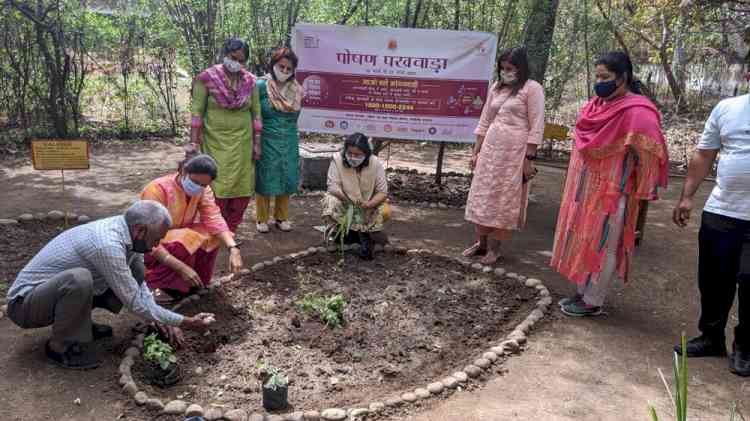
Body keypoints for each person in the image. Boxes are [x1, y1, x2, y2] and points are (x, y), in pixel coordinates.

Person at [5, 201, 215, 370]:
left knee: (136, 271)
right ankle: (59, 347)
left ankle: (80, 325)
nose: (156, 246)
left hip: (53, 294)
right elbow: (133, 301)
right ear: (140, 230)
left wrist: (161, 317)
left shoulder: (128, 234)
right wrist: (185, 322)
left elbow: (139, 285)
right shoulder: (107, 244)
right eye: (156, 239)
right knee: (79, 279)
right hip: (25, 306)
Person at [550, 51, 668, 317]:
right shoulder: (596, 105)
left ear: (623, 77)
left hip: (610, 192)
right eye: (598, 77)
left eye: (606, 77)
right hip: (584, 190)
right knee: (583, 238)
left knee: (604, 241)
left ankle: (593, 300)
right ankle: (581, 292)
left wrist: (641, 183)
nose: (599, 82)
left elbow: (653, 149)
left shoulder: (638, 111)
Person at [672, 87, 750, 377]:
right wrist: (687, 196)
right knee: (714, 279)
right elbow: (704, 154)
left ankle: (745, 346)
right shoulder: (727, 108)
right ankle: (711, 338)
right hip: (722, 210)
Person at [463, 47, 545, 265]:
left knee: (503, 199)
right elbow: (484, 120)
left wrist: (529, 158)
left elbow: (537, 125)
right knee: (483, 195)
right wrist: (476, 151)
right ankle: (480, 244)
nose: (505, 72)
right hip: (490, 150)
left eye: (509, 69)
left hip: (514, 154)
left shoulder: (532, 89)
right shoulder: (497, 88)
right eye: (502, 68)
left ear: (521, 68)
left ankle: (494, 249)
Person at [140, 154, 243, 301]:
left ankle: (196, 282)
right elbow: (145, 236)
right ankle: (158, 285)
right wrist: (181, 268)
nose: (199, 188)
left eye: (203, 185)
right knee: (188, 237)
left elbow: (213, 217)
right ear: (183, 171)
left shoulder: (203, 190)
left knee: (212, 234)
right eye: (195, 182)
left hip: (180, 237)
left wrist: (233, 248)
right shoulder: (156, 190)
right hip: (151, 245)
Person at [187, 38, 262, 233]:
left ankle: (231, 229)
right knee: (216, 185)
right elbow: (197, 113)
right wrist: (193, 144)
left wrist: (257, 143)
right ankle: (214, 228)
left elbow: (256, 114)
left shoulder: (251, 82)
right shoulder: (206, 78)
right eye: (232, 57)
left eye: (241, 59)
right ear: (224, 55)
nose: (236, 62)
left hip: (242, 143)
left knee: (242, 186)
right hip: (214, 142)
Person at [254, 47, 303, 233]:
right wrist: (256, 141)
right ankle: (261, 218)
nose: (284, 71)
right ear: (273, 65)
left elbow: (296, 117)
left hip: (289, 139)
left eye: (288, 69)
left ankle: (281, 217)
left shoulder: (297, 90)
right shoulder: (260, 86)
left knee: (287, 176)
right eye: (280, 66)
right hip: (266, 139)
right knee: (265, 177)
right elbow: (255, 115)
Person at [322, 133, 390, 260]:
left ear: (366, 154)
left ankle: (366, 239)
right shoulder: (337, 160)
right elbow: (332, 186)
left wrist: (369, 205)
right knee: (331, 201)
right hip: (344, 201)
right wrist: (349, 201)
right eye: (349, 153)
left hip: (367, 205)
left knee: (384, 210)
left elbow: (382, 192)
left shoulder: (375, 163)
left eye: (357, 155)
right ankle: (336, 235)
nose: (352, 157)